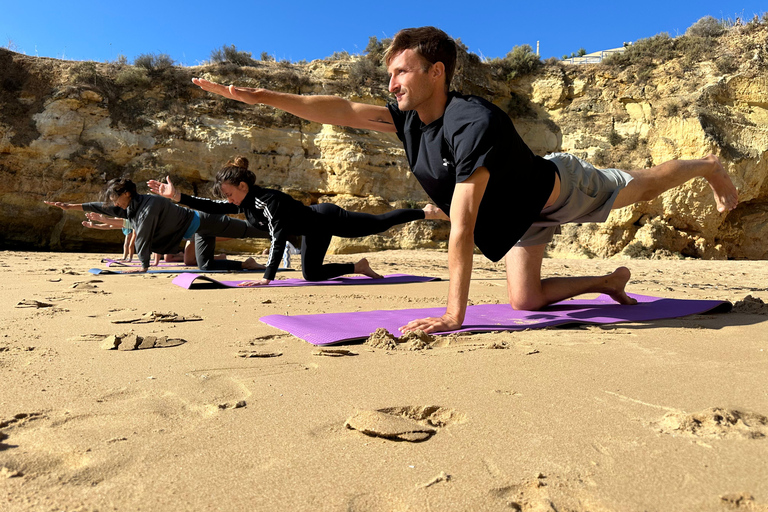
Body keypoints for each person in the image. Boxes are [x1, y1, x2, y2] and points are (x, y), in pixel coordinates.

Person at [189, 26, 739, 333]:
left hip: (560, 191)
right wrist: (260, 96)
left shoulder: (472, 122)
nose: (393, 83)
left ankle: (706, 165)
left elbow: (463, 224)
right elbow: (337, 108)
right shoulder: (405, 117)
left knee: (638, 185)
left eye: (401, 72)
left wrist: (456, 315)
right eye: (389, 75)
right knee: (525, 302)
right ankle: (607, 284)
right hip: (521, 223)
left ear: (436, 73)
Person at [148, 156, 444, 285]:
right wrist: (178, 198)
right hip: (312, 231)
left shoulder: (267, 201)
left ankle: (425, 212)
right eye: (226, 196)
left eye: (230, 193)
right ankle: (359, 267)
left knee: (377, 224)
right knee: (311, 275)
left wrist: (267, 277)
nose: (228, 200)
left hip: (326, 218)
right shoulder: (244, 201)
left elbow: (278, 238)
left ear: (242, 186)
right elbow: (210, 205)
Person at [45, 178, 269, 273]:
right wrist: (70, 206)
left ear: (126, 193)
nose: (114, 203)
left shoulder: (149, 205)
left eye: (115, 198)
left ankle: (285, 228)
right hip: (198, 231)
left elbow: (143, 235)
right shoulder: (133, 206)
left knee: (254, 230)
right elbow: (103, 207)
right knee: (206, 267)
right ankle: (246, 263)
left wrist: (144, 264)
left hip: (207, 221)